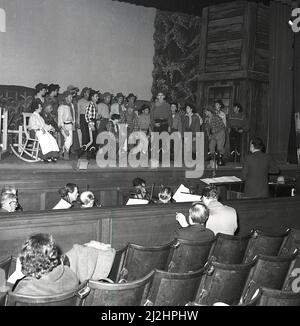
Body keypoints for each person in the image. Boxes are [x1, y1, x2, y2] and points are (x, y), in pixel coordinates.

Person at [12, 233, 79, 296]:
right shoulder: (70, 274)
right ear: (54, 255)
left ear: (28, 263)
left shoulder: (25, 289)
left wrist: (14, 276)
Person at [80, 89, 99, 159]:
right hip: (91, 124)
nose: (98, 98)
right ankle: (82, 151)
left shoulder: (93, 104)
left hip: (93, 123)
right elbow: (87, 115)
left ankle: (90, 153)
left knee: (93, 140)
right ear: (92, 97)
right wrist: (91, 124)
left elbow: (91, 115)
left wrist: (96, 118)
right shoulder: (90, 104)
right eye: (96, 96)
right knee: (92, 140)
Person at [57, 90, 75, 160]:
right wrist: (64, 129)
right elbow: (60, 120)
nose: (71, 99)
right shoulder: (61, 107)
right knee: (68, 140)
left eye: (71, 97)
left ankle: (62, 151)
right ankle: (66, 153)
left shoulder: (71, 106)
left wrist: (73, 123)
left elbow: (72, 116)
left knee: (70, 142)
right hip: (64, 126)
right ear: (65, 98)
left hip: (69, 125)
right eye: (70, 97)